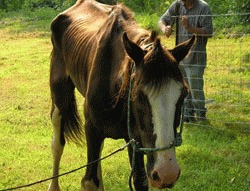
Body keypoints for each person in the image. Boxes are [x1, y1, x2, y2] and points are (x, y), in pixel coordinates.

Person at [158, 0, 213, 122]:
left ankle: (201, 116)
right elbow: (162, 20)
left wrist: (190, 28)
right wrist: (165, 28)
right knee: (184, 88)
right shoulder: (177, 5)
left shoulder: (203, 8)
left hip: (196, 57)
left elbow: (209, 31)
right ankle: (187, 115)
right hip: (181, 57)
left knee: (195, 89)